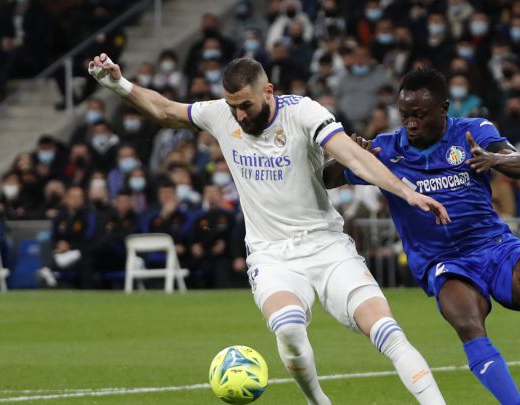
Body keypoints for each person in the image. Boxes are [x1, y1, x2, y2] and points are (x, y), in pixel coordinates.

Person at [87, 53, 448, 405]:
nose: (239, 115)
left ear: (269, 91)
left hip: (327, 245)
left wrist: (405, 190)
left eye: (246, 105)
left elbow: (351, 155)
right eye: (233, 107)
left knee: (386, 330)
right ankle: (318, 401)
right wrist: (120, 84)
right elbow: (166, 110)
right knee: (289, 329)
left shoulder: (303, 112)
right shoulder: (220, 115)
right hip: (272, 255)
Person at [323, 69, 520, 405]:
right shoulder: (386, 150)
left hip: (494, 246)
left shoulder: (473, 131)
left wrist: (493, 158)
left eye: (419, 115)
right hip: (442, 261)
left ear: (443, 109)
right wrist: (346, 156)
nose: (410, 123)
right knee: (469, 325)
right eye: (405, 115)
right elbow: (327, 179)